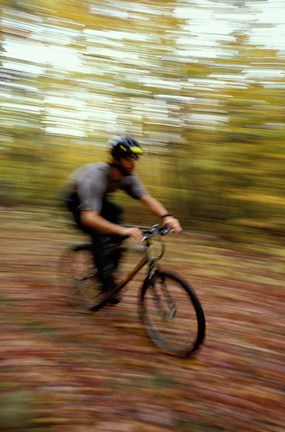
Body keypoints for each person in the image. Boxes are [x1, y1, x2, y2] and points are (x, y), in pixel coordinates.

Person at [63, 135, 181, 303]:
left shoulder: (129, 177)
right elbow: (89, 218)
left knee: (118, 220)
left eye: (136, 158)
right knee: (99, 232)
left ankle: (108, 268)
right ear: (116, 159)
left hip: (99, 200)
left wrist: (167, 216)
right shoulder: (94, 177)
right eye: (129, 158)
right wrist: (123, 229)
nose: (134, 162)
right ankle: (105, 282)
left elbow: (147, 199)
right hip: (76, 201)